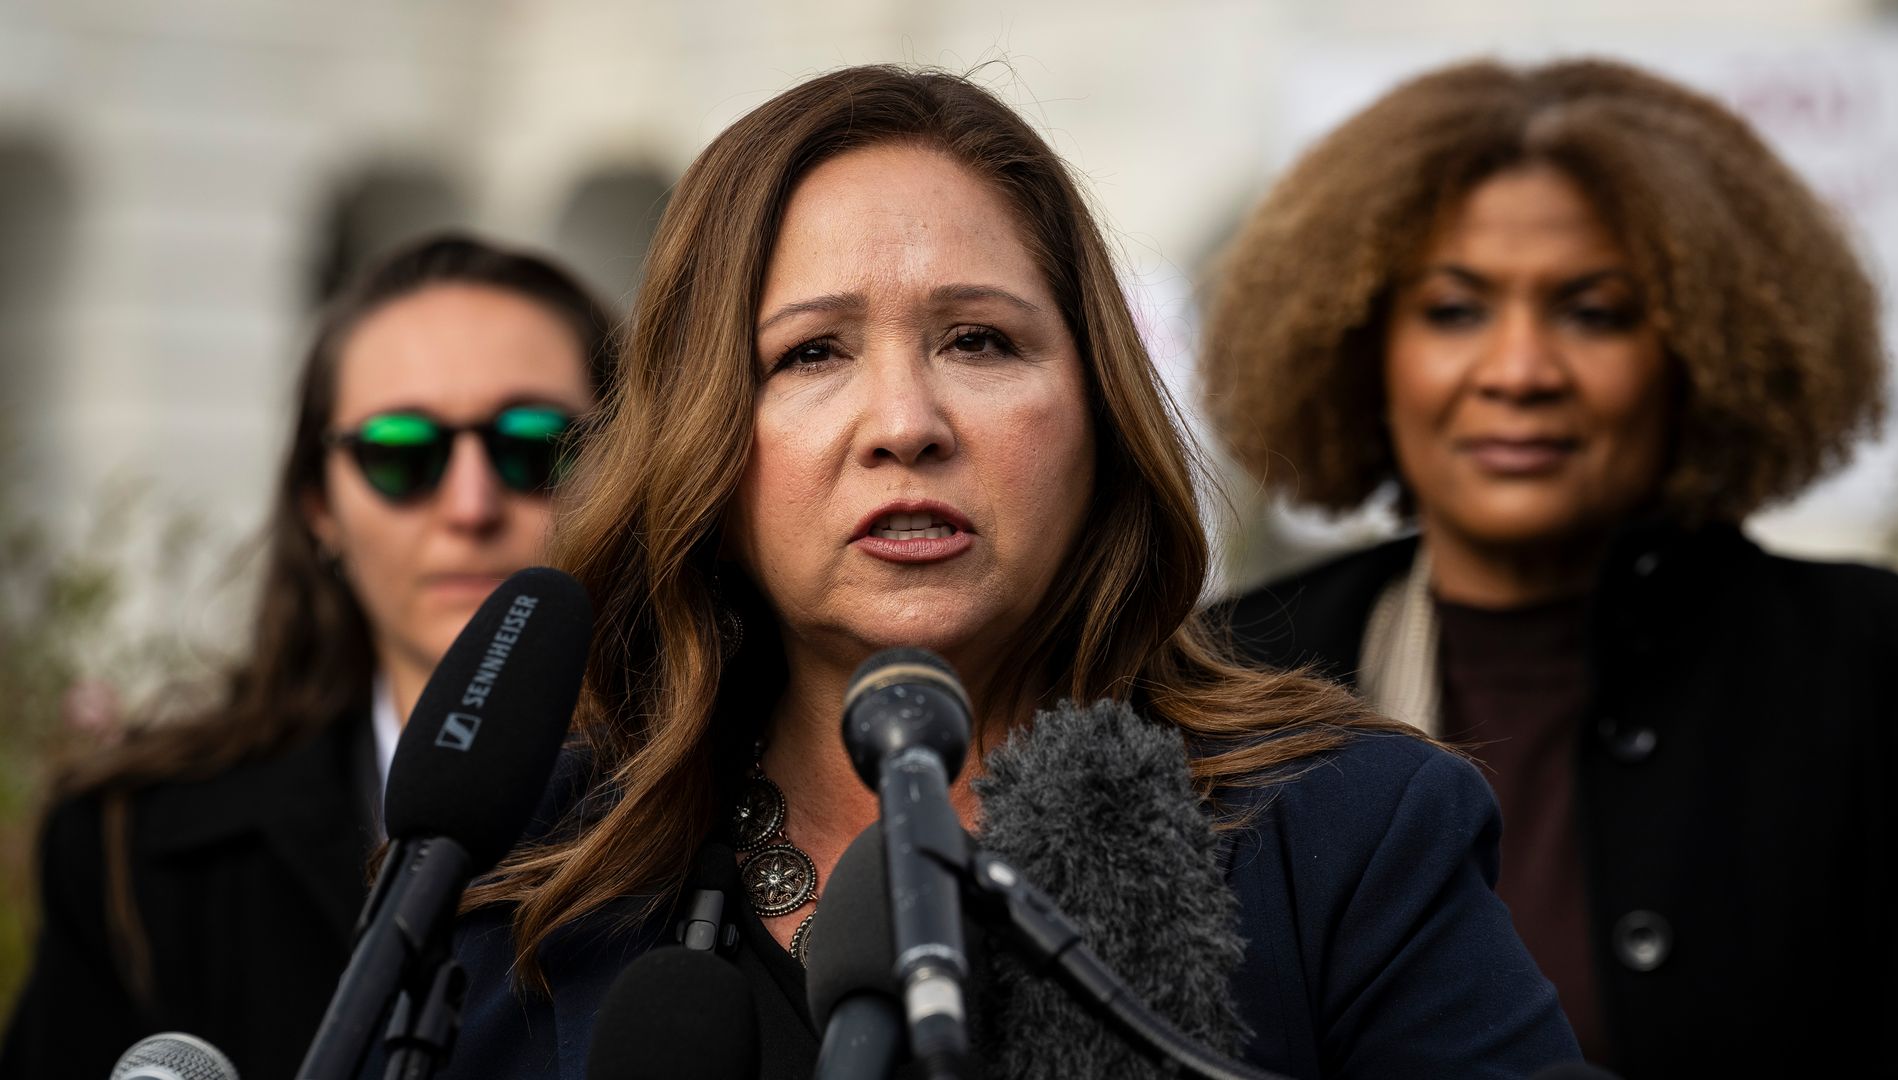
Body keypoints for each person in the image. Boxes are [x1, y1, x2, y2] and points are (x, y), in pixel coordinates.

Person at [411, 66, 1580, 1080]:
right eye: (811, 352)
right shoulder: (528, 872)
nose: (905, 424)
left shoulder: (1349, 834)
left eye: (979, 339)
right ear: (706, 440)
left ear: (1096, 417)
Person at [1204, 58, 1898, 1078]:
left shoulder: (1876, 667)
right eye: (1455, 310)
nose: (1520, 371)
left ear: (1704, 350)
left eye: (1594, 311)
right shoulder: (1229, 674)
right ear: (1361, 347)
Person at [0, 234, 616, 1080]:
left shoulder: (731, 818)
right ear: (319, 506)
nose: (471, 505)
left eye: (537, 446)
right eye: (401, 452)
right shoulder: (133, 849)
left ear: (626, 471)